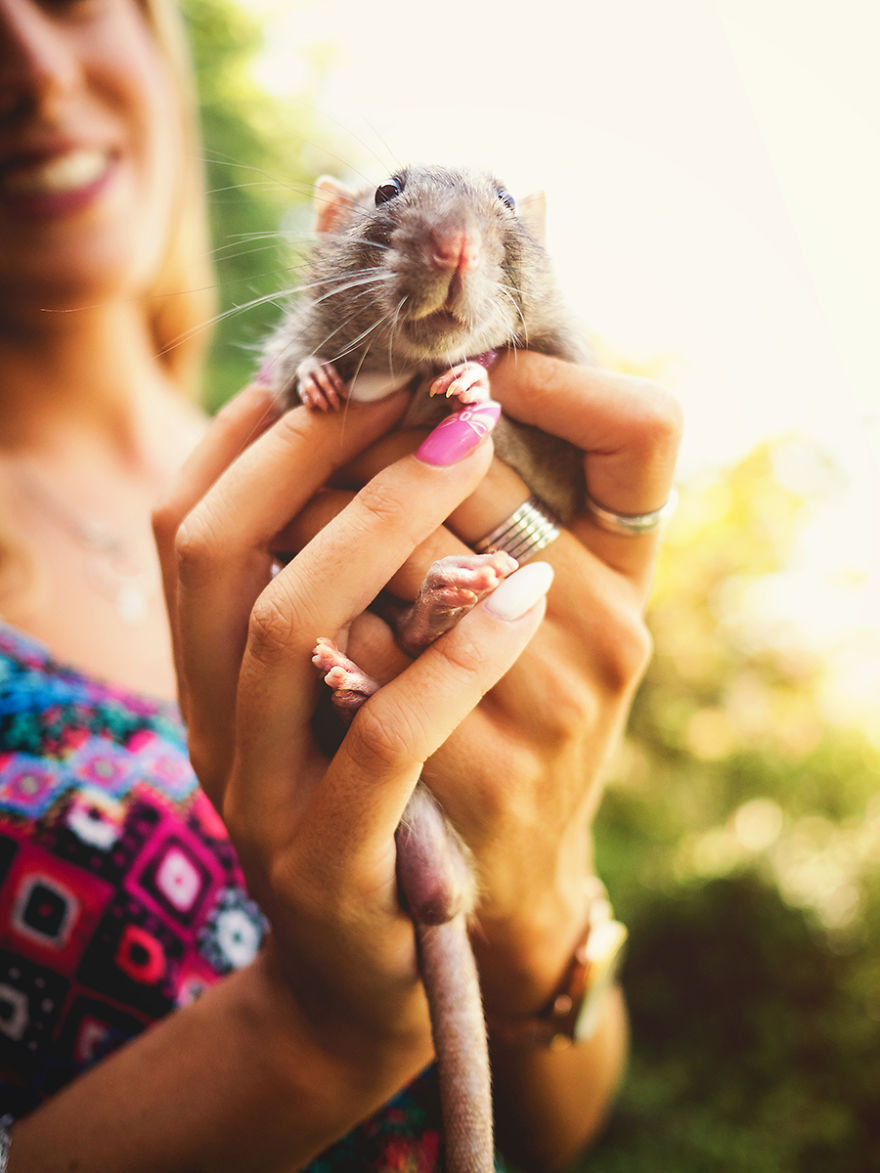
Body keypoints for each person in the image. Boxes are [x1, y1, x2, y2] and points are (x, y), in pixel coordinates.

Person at [0, 0, 682, 1168]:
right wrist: (314, 1035)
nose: (35, 70)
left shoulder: (475, 446)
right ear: (330, 230)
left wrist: (539, 919)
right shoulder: (302, 393)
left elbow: (558, 1129)